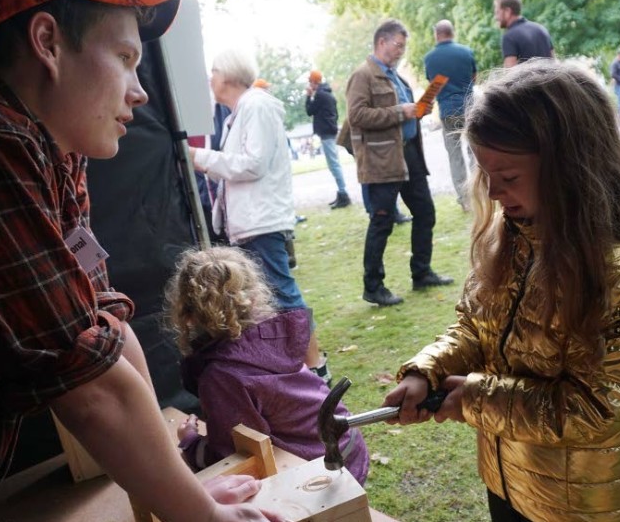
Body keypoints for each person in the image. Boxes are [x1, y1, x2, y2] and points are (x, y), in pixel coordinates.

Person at [0, 0, 285, 521]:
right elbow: (90, 388)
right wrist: (201, 517)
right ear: (48, 42)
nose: (140, 89)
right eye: (125, 57)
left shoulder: (50, 151)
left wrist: (175, 494)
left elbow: (99, 327)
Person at [382, 59, 620, 522]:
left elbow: (596, 410)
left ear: (571, 170)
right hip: (508, 479)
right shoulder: (510, 241)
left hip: (576, 504)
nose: (495, 193)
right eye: (486, 176)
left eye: (507, 178)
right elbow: (473, 326)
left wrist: (472, 398)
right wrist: (428, 369)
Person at [166, 247, 369, 485]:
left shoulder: (221, 377)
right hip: (351, 449)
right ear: (253, 298)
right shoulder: (272, 337)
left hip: (324, 473)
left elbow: (234, 457)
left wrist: (190, 442)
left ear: (187, 315)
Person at [190, 50, 328, 381]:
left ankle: (317, 366)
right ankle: (295, 366)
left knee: (282, 294)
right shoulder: (237, 112)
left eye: (213, 71)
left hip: (261, 220)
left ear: (227, 74)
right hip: (250, 222)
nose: (209, 79)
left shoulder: (256, 105)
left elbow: (253, 163)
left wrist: (200, 156)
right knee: (268, 298)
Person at [345, 19, 454, 307]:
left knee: (425, 213)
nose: (401, 52)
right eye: (398, 46)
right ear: (382, 42)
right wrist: (400, 112)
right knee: (382, 222)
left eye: (403, 47)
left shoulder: (395, 76)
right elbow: (357, 116)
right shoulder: (363, 75)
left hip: (409, 155)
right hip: (382, 160)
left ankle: (421, 272)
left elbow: (405, 113)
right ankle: (373, 286)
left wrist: (418, 110)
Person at [424, 19, 478, 210]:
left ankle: (465, 201)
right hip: (470, 108)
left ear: (437, 34)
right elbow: (474, 78)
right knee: (475, 153)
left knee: (455, 156)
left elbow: (434, 85)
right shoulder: (466, 52)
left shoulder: (430, 59)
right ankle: (479, 194)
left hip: (448, 111)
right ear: (452, 33)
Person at [306, 69, 350, 208]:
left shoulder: (319, 95)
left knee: (333, 164)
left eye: (310, 81)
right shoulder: (328, 94)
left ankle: (343, 193)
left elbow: (309, 111)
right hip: (330, 130)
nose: (309, 84)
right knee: (334, 163)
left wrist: (308, 97)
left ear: (314, 82)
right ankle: (341, 192)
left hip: (326, 132)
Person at [493, 0, 555, 67]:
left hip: (526, 79)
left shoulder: (510, 37)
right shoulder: (541, 29)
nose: (496, 17)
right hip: (549, 78)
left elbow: (510, 73)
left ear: (507, 11)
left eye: (497, 12)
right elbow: (554, 63)